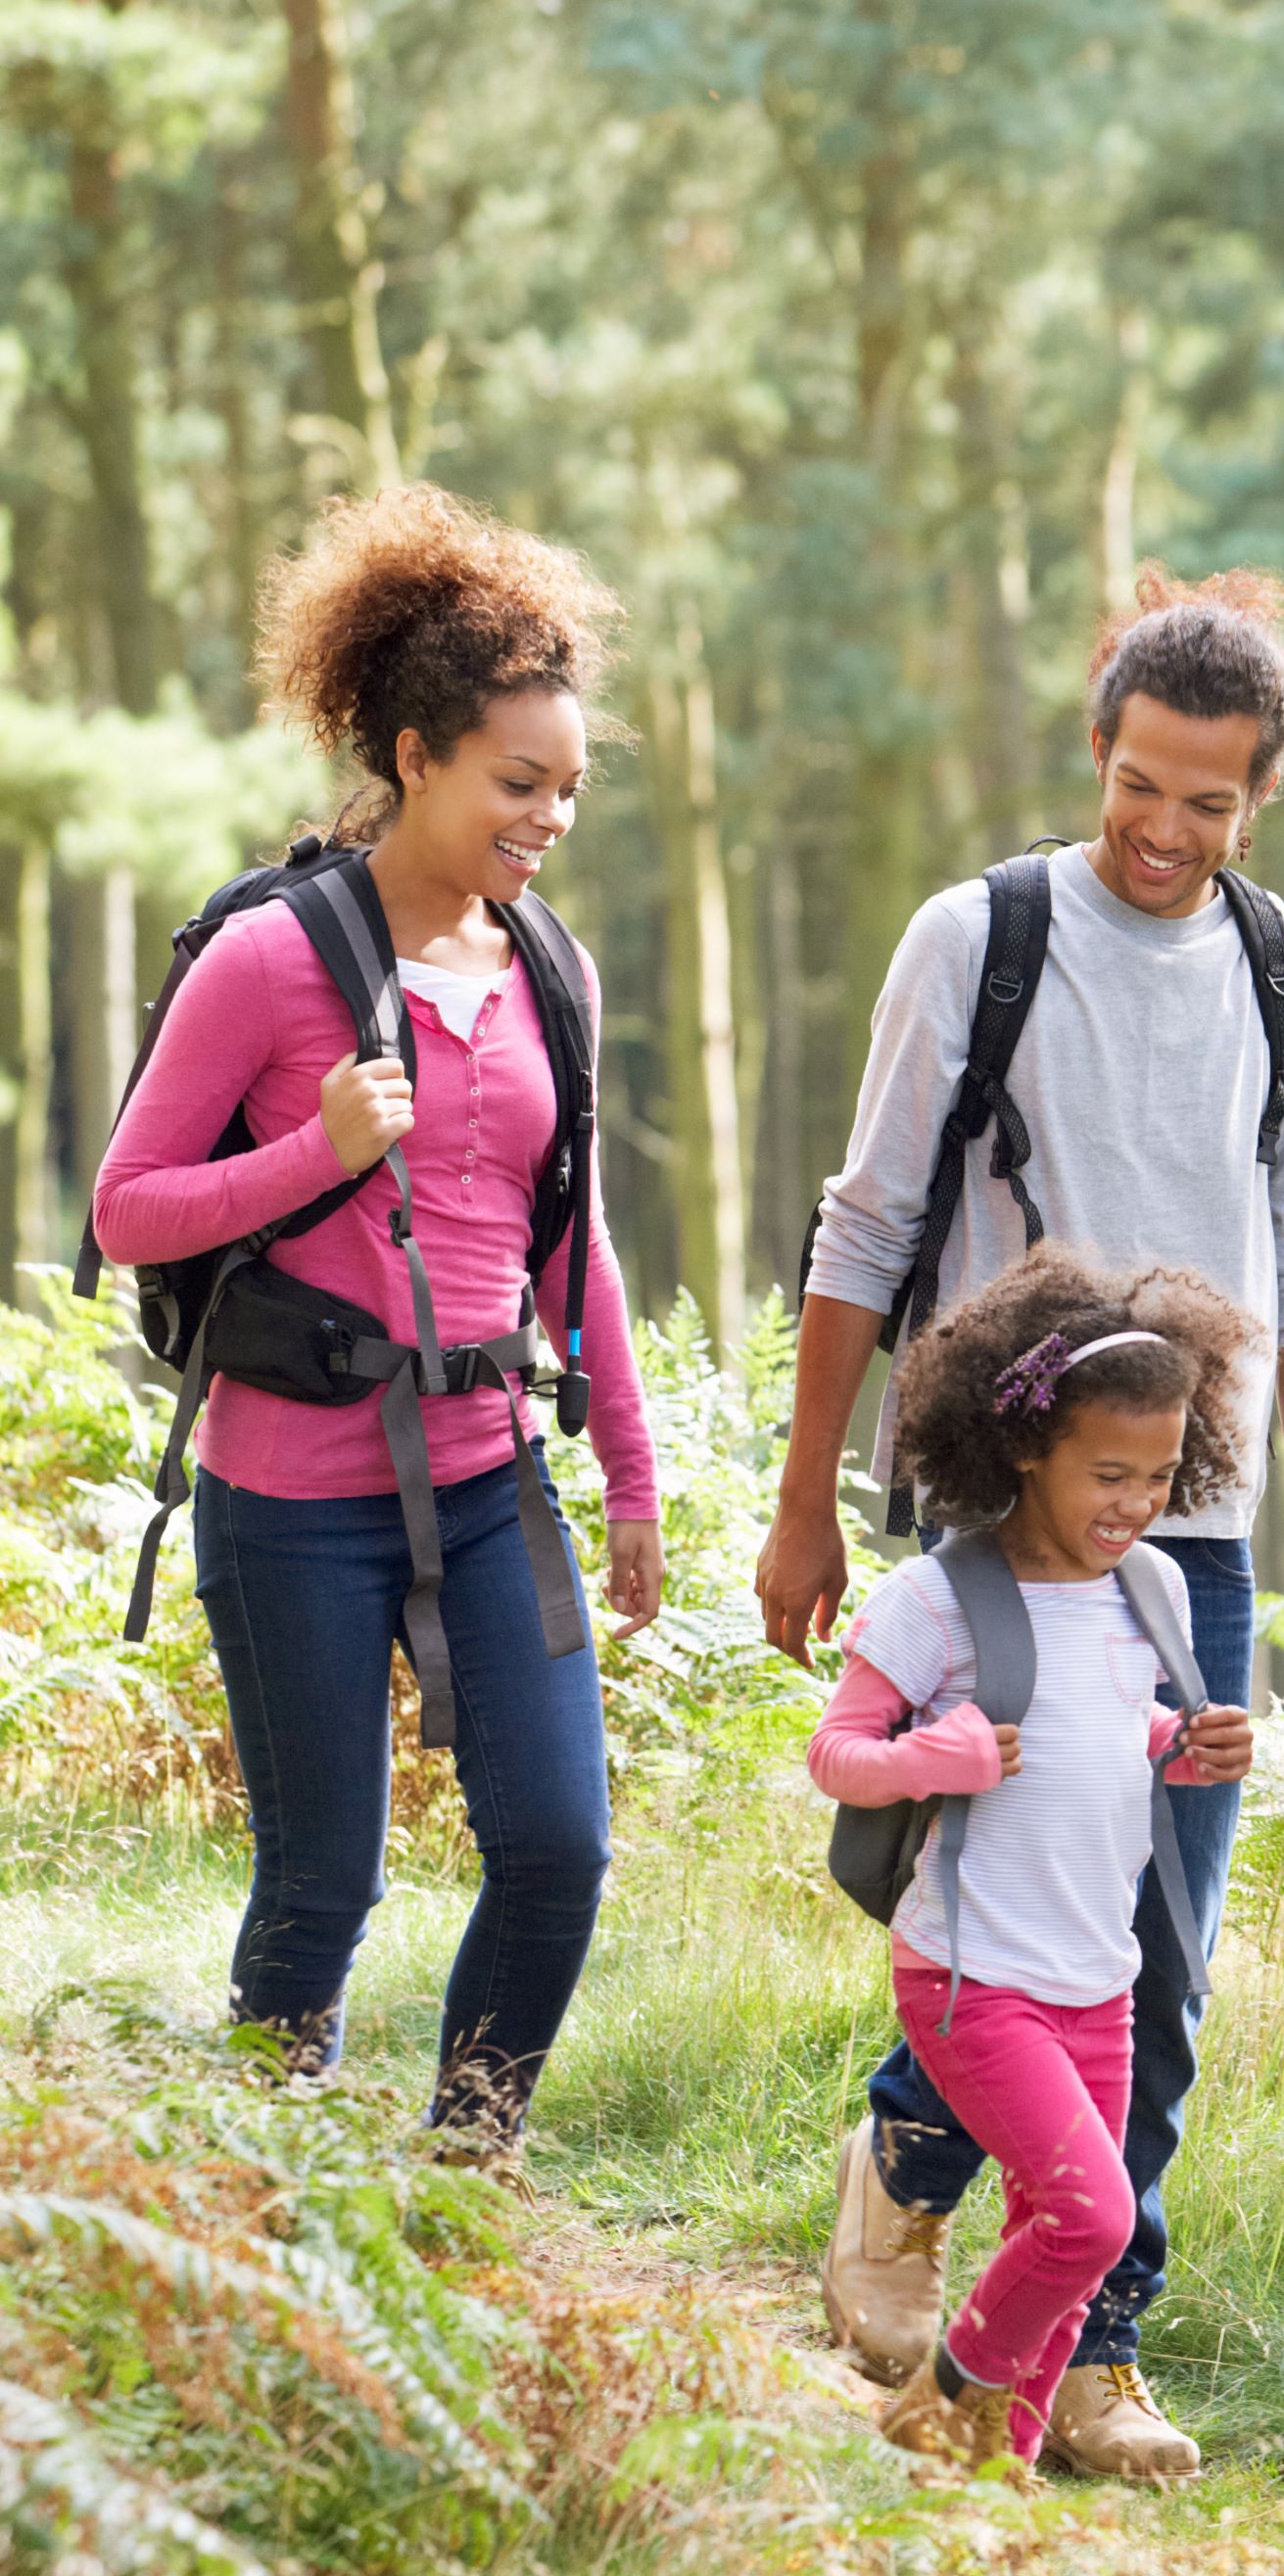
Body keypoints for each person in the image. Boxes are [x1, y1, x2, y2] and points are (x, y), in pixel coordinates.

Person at [760, 565, 1284, 2486]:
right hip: (991, 1503)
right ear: (1095, 750)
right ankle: (908, 2172)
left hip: (1197, 1525)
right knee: (976, 1913)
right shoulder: (981, 936)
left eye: (1212, 803)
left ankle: (1091, 2341)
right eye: (1139, 788)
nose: (1168, 833)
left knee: (1158, 1949)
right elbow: (861, 1230)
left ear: (1262, 795)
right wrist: (802, 1512)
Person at [91, 485, 661, 2142]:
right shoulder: (269, 960)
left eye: (566, 785)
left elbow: (581, 1246)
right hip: (287, 1501)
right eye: (515, 781)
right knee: (320, 1879)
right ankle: (272, 2211)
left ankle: (462, 2169)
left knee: (558, 1844)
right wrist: (313, 1152)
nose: (548, 815)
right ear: (414, 755)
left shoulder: (550, 969)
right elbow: (130, 1206)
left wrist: (627, 1477)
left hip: (493, 1478)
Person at [806, 1247, 1258, 2481]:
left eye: (1162, 1476)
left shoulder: (1152, 1591)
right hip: (971, 1975)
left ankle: (986, 2466)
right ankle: (950, 2393)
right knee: (1094, 2214)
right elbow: (838, 1755)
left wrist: (1186, 1746)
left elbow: (1114, 1738)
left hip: (1095, 1978)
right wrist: (930, 1759)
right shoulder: (935, 1602)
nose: (1135, 1503)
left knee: (1066, 2236)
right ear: (1021, 1451)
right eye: (1108, 1474)